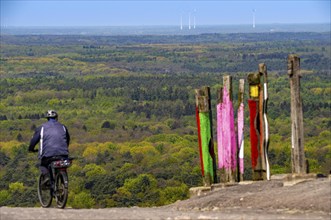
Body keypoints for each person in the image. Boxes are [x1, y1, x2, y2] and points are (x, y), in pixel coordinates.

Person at [29, 110, 70, 178]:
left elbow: (34, 141)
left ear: (47, 118)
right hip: (63, 154)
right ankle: (63, 181)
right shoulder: (63, 127)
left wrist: (31, 149)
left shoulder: (42, 128)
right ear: (56, 118)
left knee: (43, 165)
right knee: (63, 165)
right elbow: (67, 140)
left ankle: (47, 178)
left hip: (47, 154)